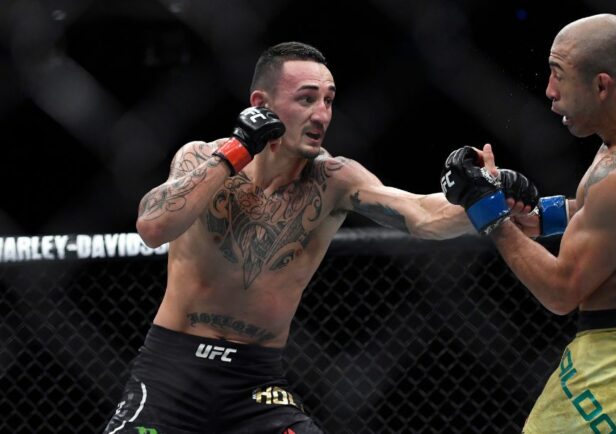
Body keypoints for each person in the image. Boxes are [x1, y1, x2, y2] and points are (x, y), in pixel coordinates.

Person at [103, 41, 538, 434]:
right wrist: (236, 149)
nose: (322, 115)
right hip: (170, 370)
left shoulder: (333, 179)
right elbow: (153, 226)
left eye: (328, 100)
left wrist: (485, 199)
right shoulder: (201, 157)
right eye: (307, 99)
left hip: (255, 385)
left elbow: (420, 214)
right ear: (262, 105)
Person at [441, 14, 616, 433]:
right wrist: (533, 218)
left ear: (601, 85)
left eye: (559, 76)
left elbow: (560, 291)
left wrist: (489, 214)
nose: (549, 93)